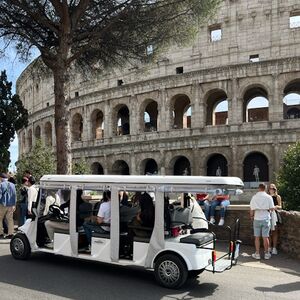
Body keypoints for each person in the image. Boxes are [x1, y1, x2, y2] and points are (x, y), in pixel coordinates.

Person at [250, 183, 274, 260]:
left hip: (257, 218)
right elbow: (271, 208)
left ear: (259, 188)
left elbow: (251, 209)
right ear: (265, 188)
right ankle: (266, 253)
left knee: (257, 237)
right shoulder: (268, 197)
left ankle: (257, 254)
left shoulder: (254, 197)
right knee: (265, 237)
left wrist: (251, 216)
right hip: (266, 218)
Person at [0, 173, 17, 239]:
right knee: (10, 219)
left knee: (0, 219)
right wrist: (14, 205)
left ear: (1, 178)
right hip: (11, 205)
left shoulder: (1, 185)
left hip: (2, 204)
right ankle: (10, 233)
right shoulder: (13, 185)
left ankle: (1, 233)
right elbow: (15, 195)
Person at [268, 183, 282, 255]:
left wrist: (275, 207)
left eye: (273, 188)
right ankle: (269, 247)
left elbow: (280, 206)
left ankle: (274, 248)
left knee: (275, 232)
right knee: (268, 232)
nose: (271, 190)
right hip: (267, 215)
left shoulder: (277, 196)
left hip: (275, 215)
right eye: (270, 188)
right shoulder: (267, 197)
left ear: (275, 189)